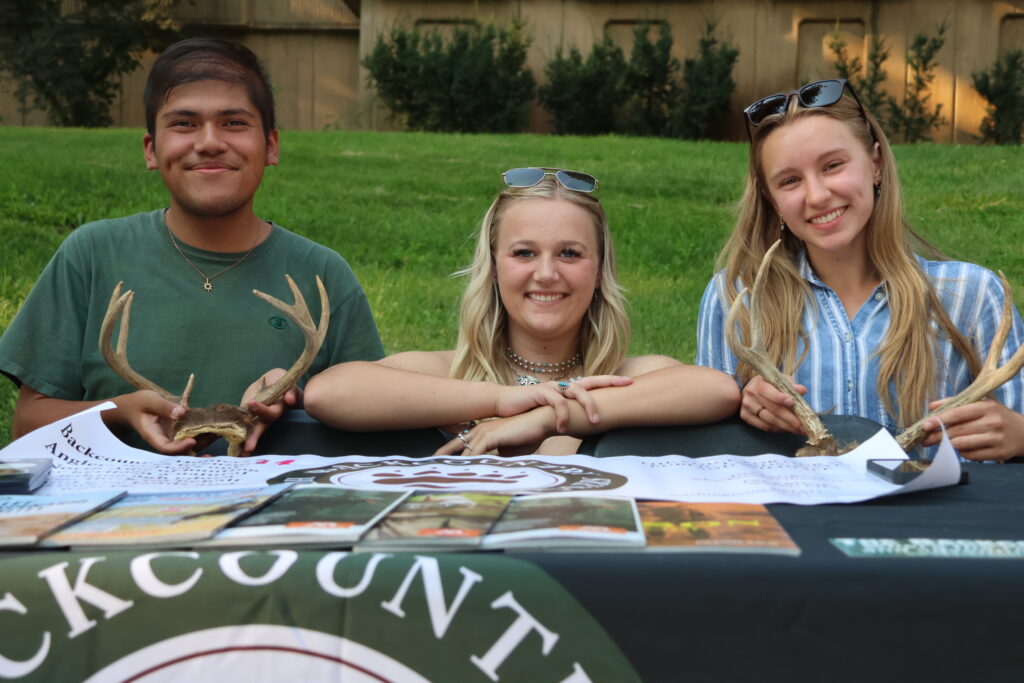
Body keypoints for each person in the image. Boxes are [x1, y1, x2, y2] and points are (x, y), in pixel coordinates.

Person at [0, 38, 383, 455]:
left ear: (271, 146)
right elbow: (27, 424)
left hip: (275, 510)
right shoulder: (92, 254)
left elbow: (371, 414)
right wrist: (119, 410)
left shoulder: (323, 275)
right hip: (120, 509)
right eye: (184, 124)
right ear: (151, 149)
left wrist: (292, 405)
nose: (209, 142)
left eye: (234, 122)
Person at [696, 78, 1024, 462]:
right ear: (772, 200)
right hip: (800, 520)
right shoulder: (736, 297)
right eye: (790, 181)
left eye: (833, 166)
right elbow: (712, 456)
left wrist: (1020, 436)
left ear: (876, 164)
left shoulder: (972, 294)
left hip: (938, 519)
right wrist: (739, 411)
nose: (817, 195)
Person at [305, 168, 739, 455]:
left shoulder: (630, 378)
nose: (546, 273)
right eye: (524, 253)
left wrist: (550, 417)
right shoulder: (444, 373)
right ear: (493, 268)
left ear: (599, 270)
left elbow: (717, 390)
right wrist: (501, 398)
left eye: (570, 253)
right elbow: (329, 394)